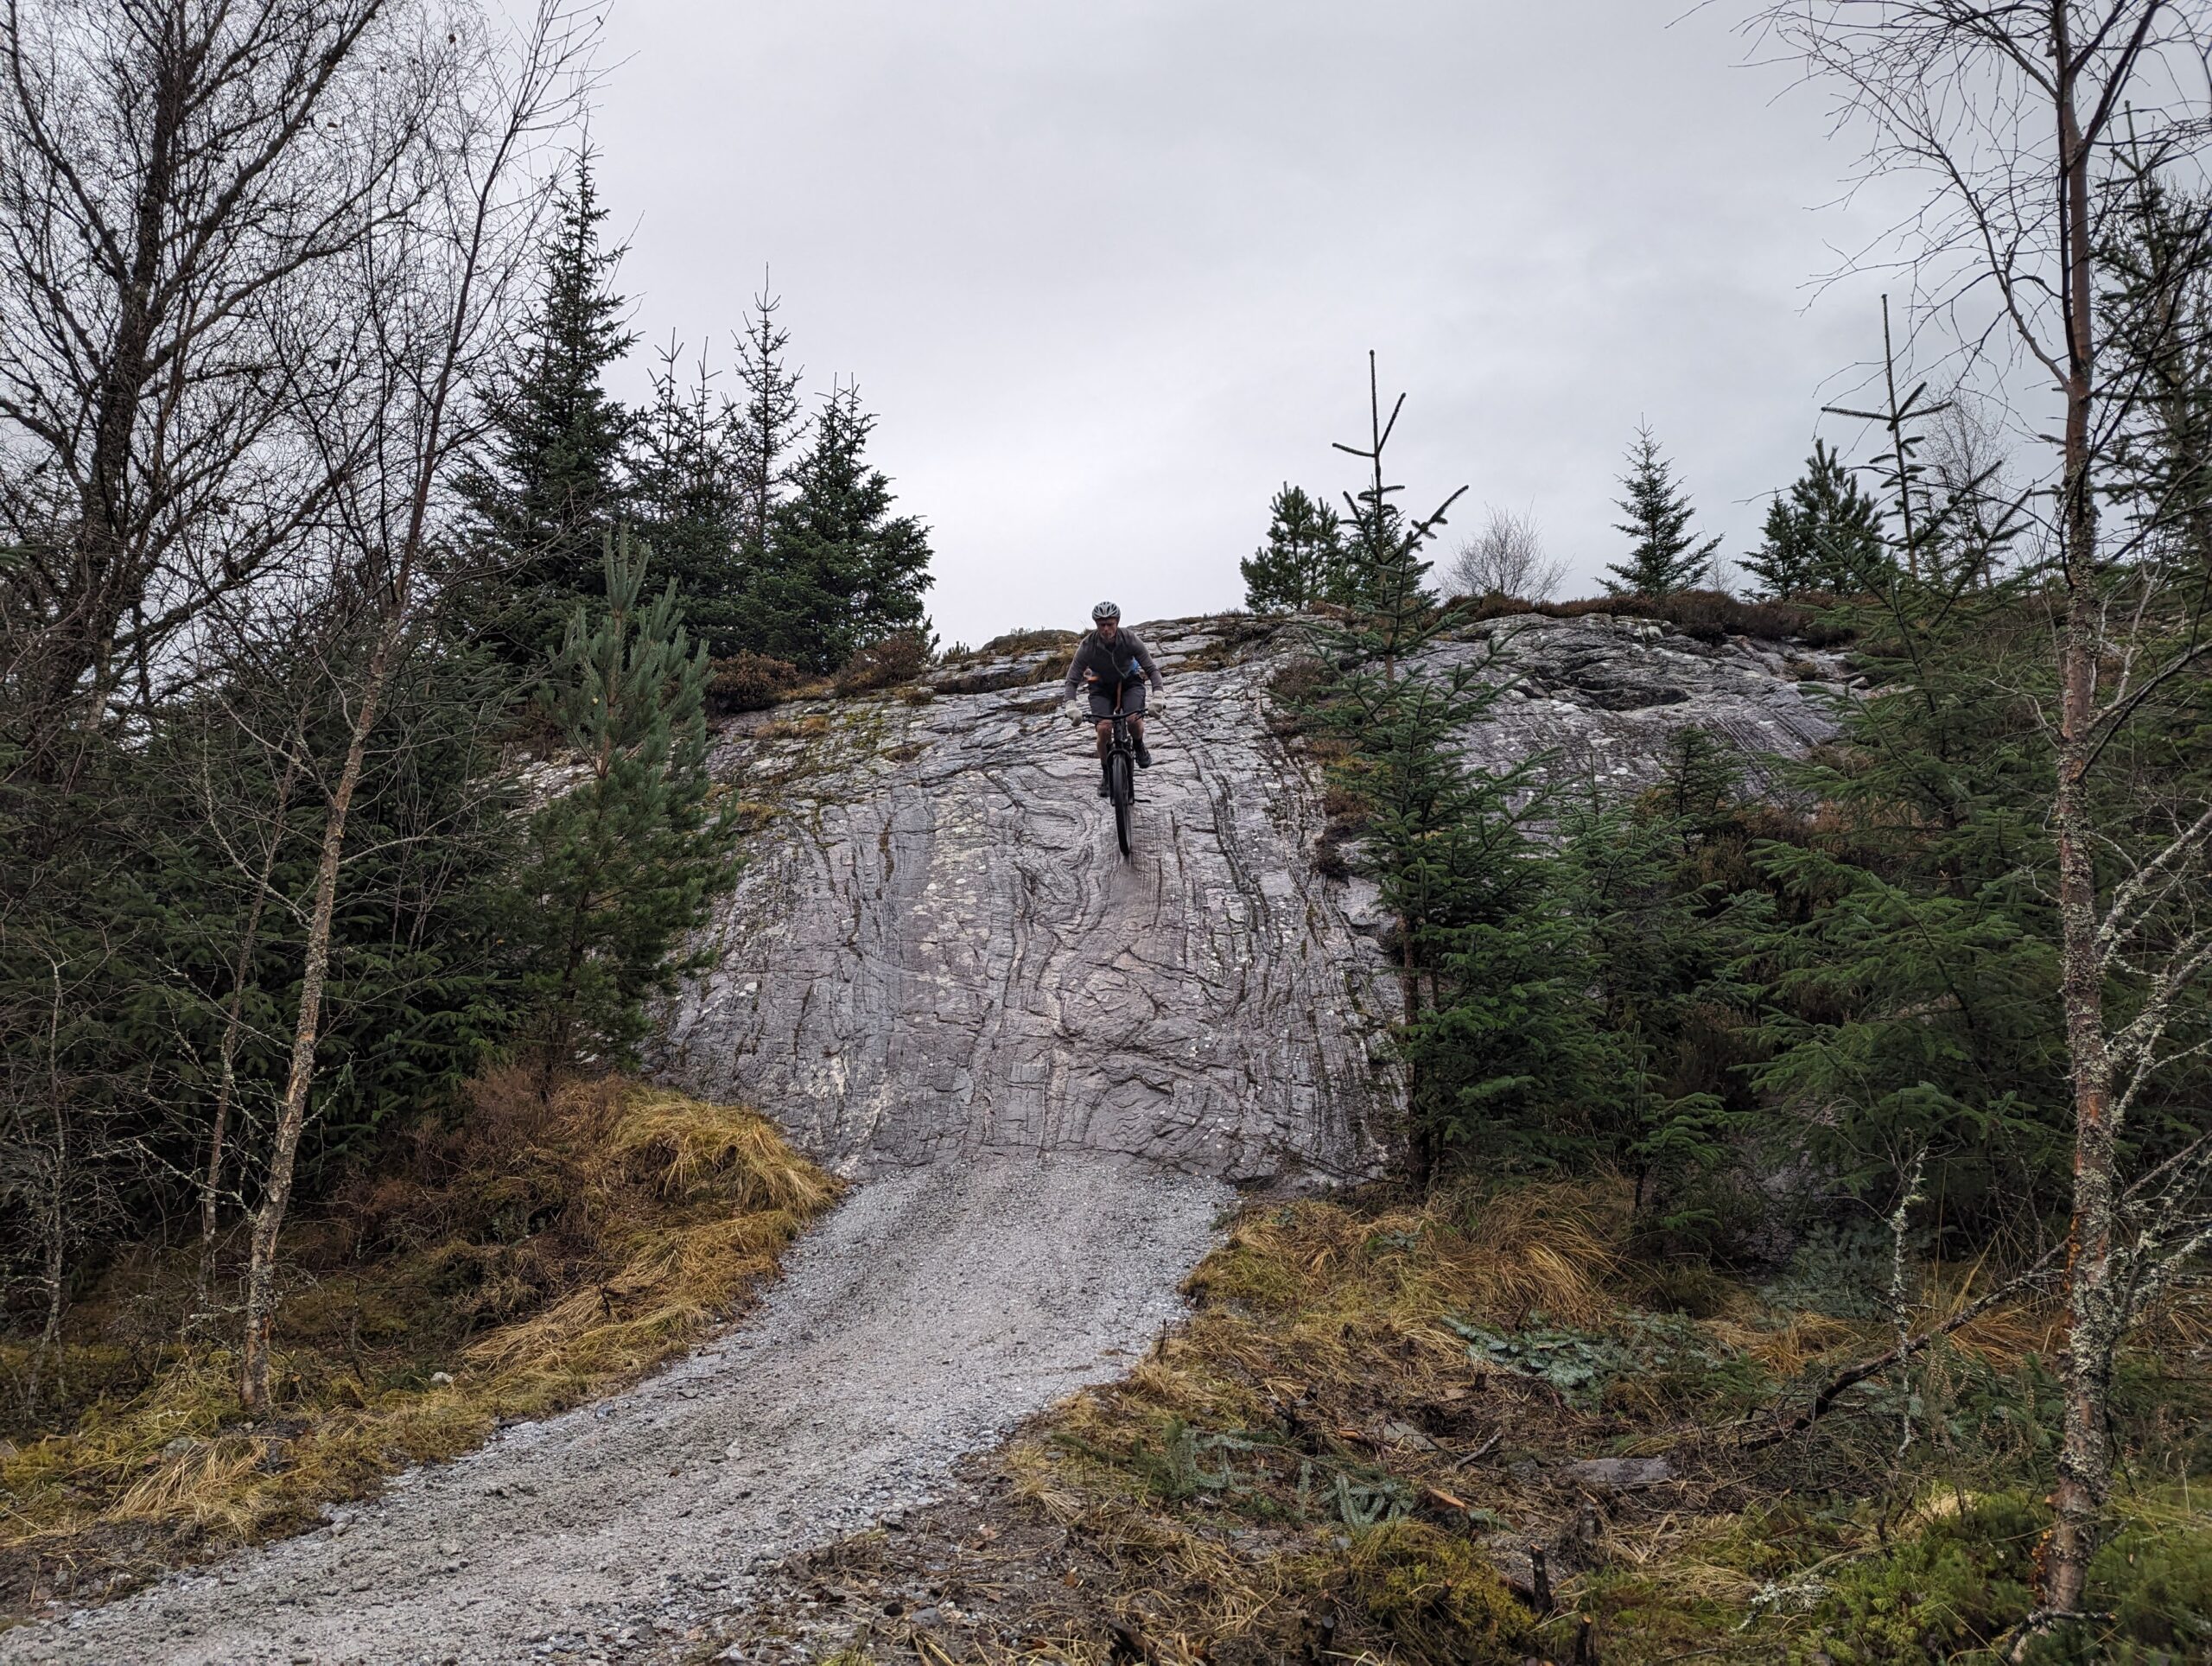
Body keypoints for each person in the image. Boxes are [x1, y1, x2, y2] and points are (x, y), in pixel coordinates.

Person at [1060, 601, 1163, 797]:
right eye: (1102, 625)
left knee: (1134, 719)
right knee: (1103, 729)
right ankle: (1107, 772)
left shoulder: (1130, 639)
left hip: (1129, 682)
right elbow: (1072, 680)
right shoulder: (1088, 646)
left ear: (1117, 622)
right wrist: (1071, 705)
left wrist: (1158, 695)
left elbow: (1152, 669)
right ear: (1096, 625)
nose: (1106, 629)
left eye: (1110, 624)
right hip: (1100, 686)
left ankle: (1139, 745)